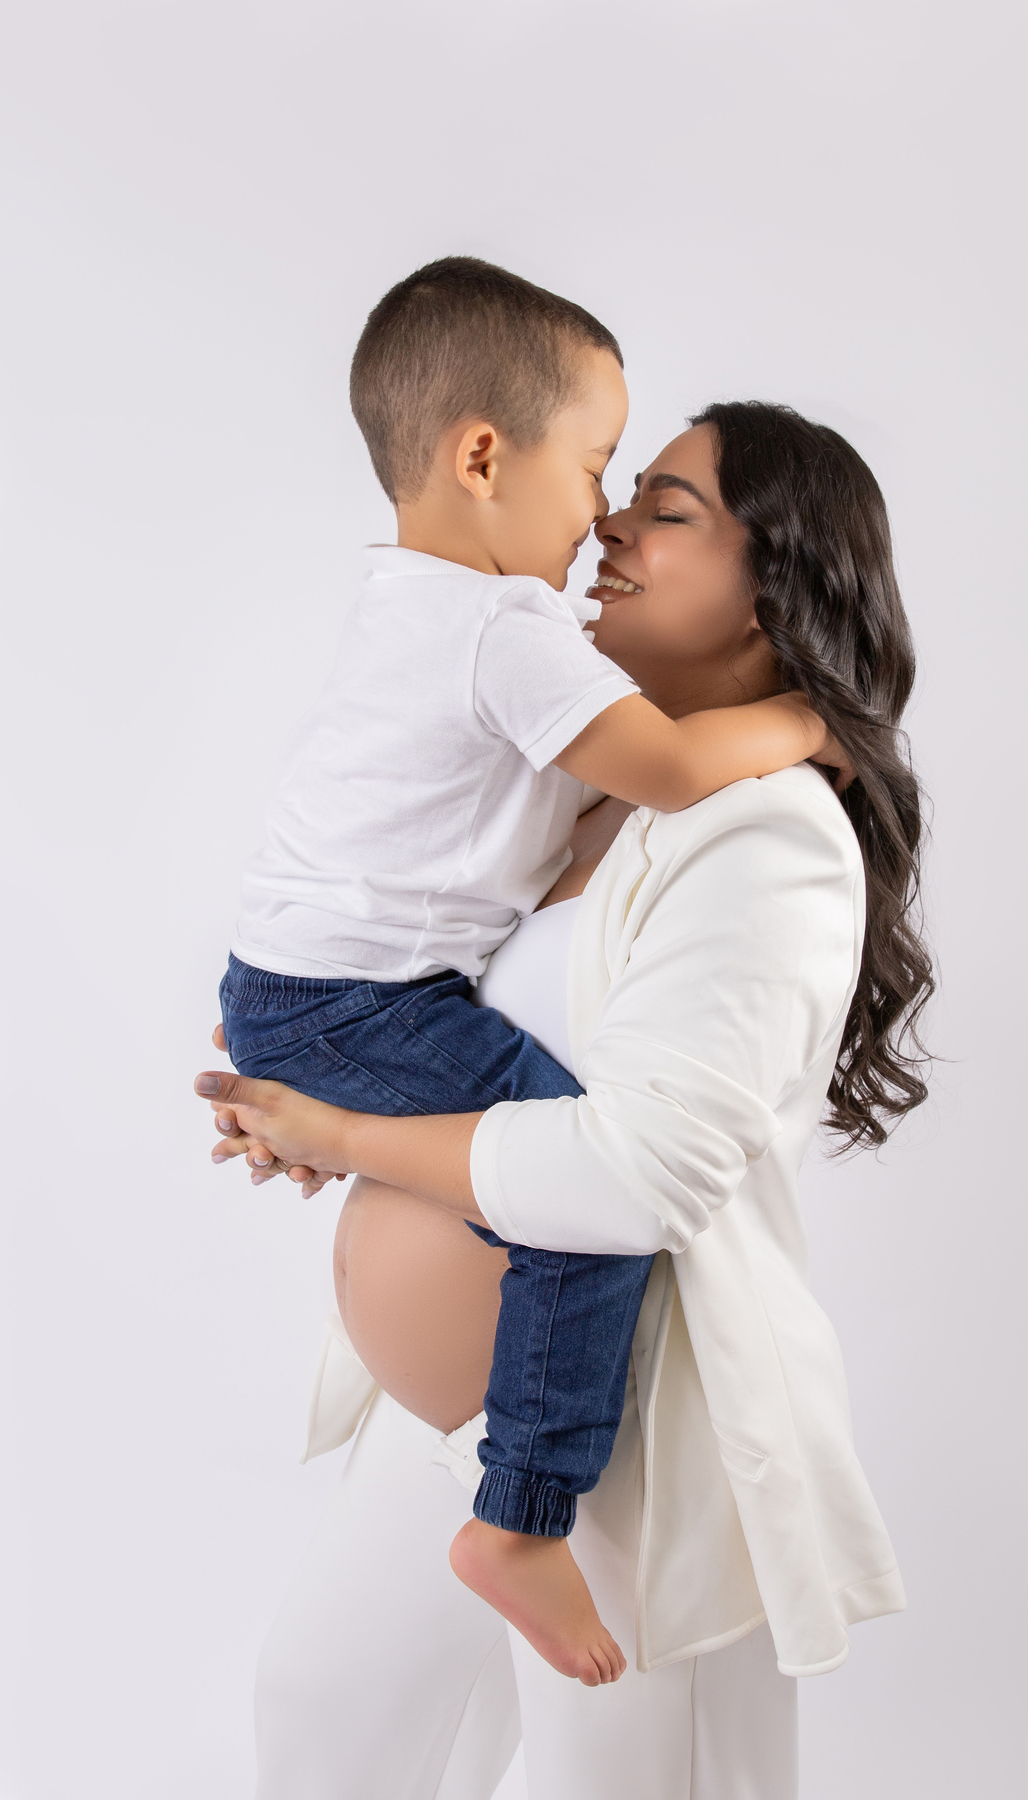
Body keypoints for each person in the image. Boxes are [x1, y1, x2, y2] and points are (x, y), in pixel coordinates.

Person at [200, 401, 935, 1798]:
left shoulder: (769, 830)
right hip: (467, 1417)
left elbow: (644, 1168)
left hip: (626, 1434)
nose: (606, 526)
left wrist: (349, 1137)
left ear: (777, 585)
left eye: (666, 510)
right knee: (322, 1713)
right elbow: (450, 1021)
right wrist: (319, 1096)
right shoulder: (590, 801)